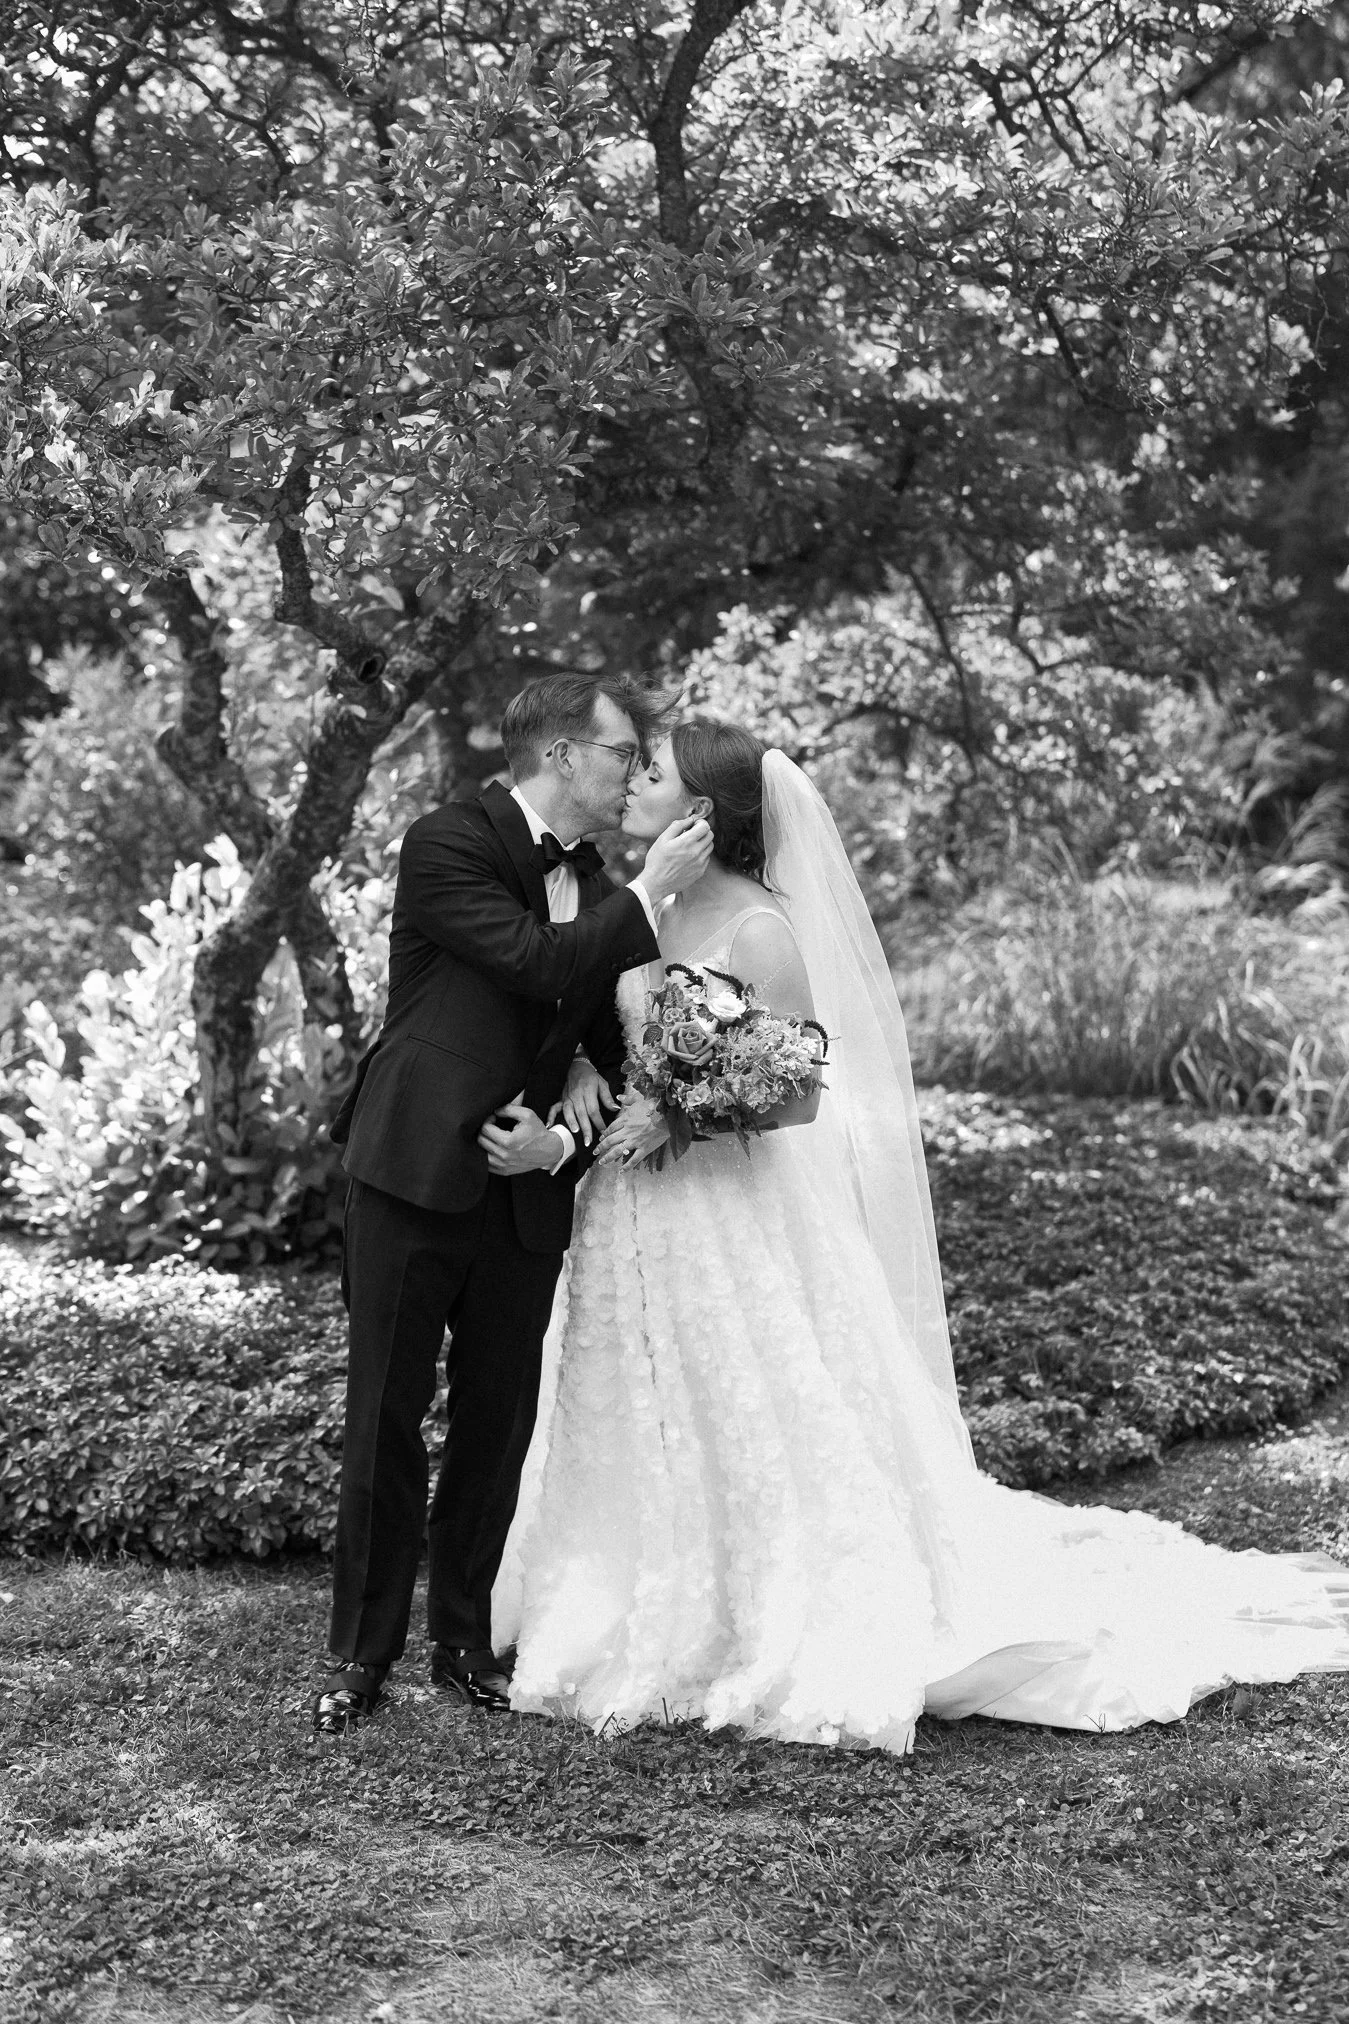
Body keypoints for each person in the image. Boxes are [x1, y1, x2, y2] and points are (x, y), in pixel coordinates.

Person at [493, 720, 1349, 1752]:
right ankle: (628, 1588)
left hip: (724, 1212)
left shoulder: (758, 931)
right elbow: (593, 1025)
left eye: (652, 770)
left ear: (702, 810)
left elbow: (797, 1096)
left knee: (748, 1397)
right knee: (637, 1400)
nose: (629, 780)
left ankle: (760, 1603)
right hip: (627, 1212)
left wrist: (676, 1110)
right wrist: (596, 1084)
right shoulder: (636, 908)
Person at [312, 675, 713, 1733]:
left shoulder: (603, 878)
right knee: (384, 1418)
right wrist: (647, 896)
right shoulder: (446, 841)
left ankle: (460, 1642)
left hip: (526, 1186)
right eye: (622, 752)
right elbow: (534, 960)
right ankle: (360, 1655)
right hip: (411, 1171)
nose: (631, 771)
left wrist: (564, 1132)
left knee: (496, 1422)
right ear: (562, 755)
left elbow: (614, 1045)